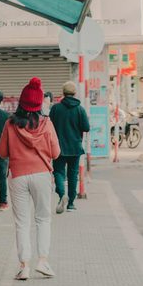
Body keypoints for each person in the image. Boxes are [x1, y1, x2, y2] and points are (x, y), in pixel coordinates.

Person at [0, 78, 61, 281]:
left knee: (22, 222)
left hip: (18, 176)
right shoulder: (47, 124)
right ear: (39, 103)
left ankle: (24, 266)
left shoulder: (10, 124)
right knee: (43, 219)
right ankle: (42, 261)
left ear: (21, 102)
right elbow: (56, 152)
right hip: (41, 175)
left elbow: (1, 152)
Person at [49, 81, 90, 213]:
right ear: (75, 93)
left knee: (59, 172)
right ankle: (71, 203)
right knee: (73, 175)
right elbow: (86, 127)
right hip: (75, 147)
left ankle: (62, 195)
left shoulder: (55, 108)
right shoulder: (80, 109)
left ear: (63, 93)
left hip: (58, 147)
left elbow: (49, 127)